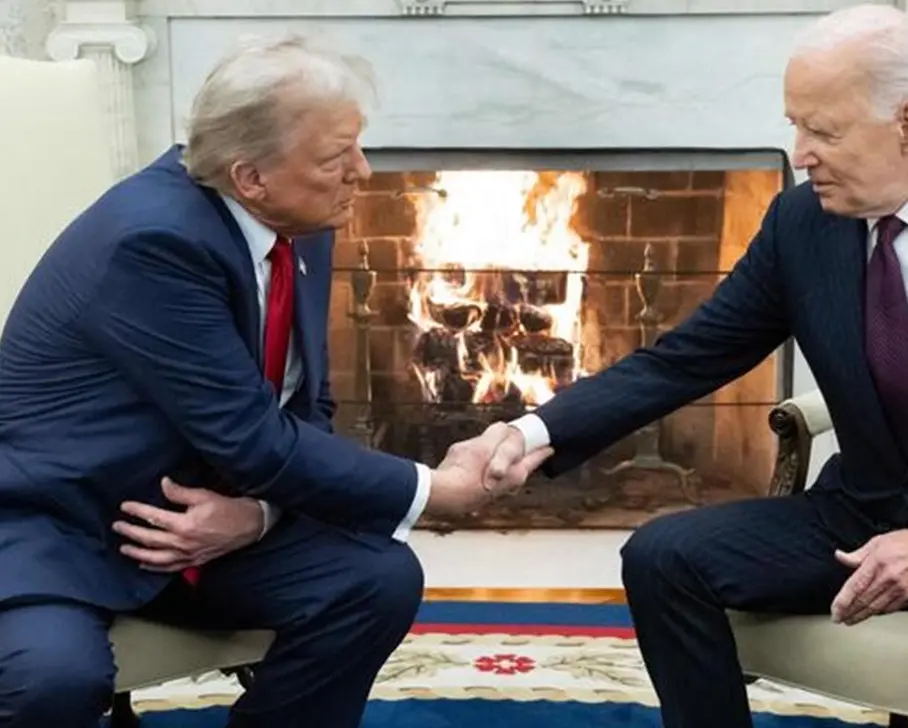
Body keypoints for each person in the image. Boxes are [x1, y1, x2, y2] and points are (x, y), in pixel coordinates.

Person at [476, 6, 908, 728]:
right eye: (795, 124)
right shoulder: (803, 224)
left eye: (822, 131)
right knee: (661, 558)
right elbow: (688, 358)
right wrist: (531, 433)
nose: (798, 153)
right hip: (866, 506)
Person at [0, 36, 547, 728]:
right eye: (335, 159)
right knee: (51, 682)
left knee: (374, 580)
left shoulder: (298, 220)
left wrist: (257, 516)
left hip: (205, 518)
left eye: (357, 146)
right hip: (66, 526)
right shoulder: (152, 243)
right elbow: (254, 439)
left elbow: (303, 406)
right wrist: (435, 491)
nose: (364, 171)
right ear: (250, 176)